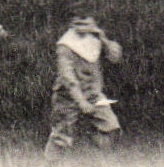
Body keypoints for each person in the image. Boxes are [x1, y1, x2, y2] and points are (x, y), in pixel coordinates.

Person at [45, 14, 123, 159]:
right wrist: (81, 101)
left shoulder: (95, 39)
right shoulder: (65, 45)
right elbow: (68, 78)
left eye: (86, 23)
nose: (82, 27)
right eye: (78, 24)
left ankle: (98, 161)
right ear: (72, 24)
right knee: (61, 138)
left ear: (92, 22)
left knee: (111, 127)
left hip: (93, 94)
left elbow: (115, 57)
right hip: (67, 97)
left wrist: (104, 39)